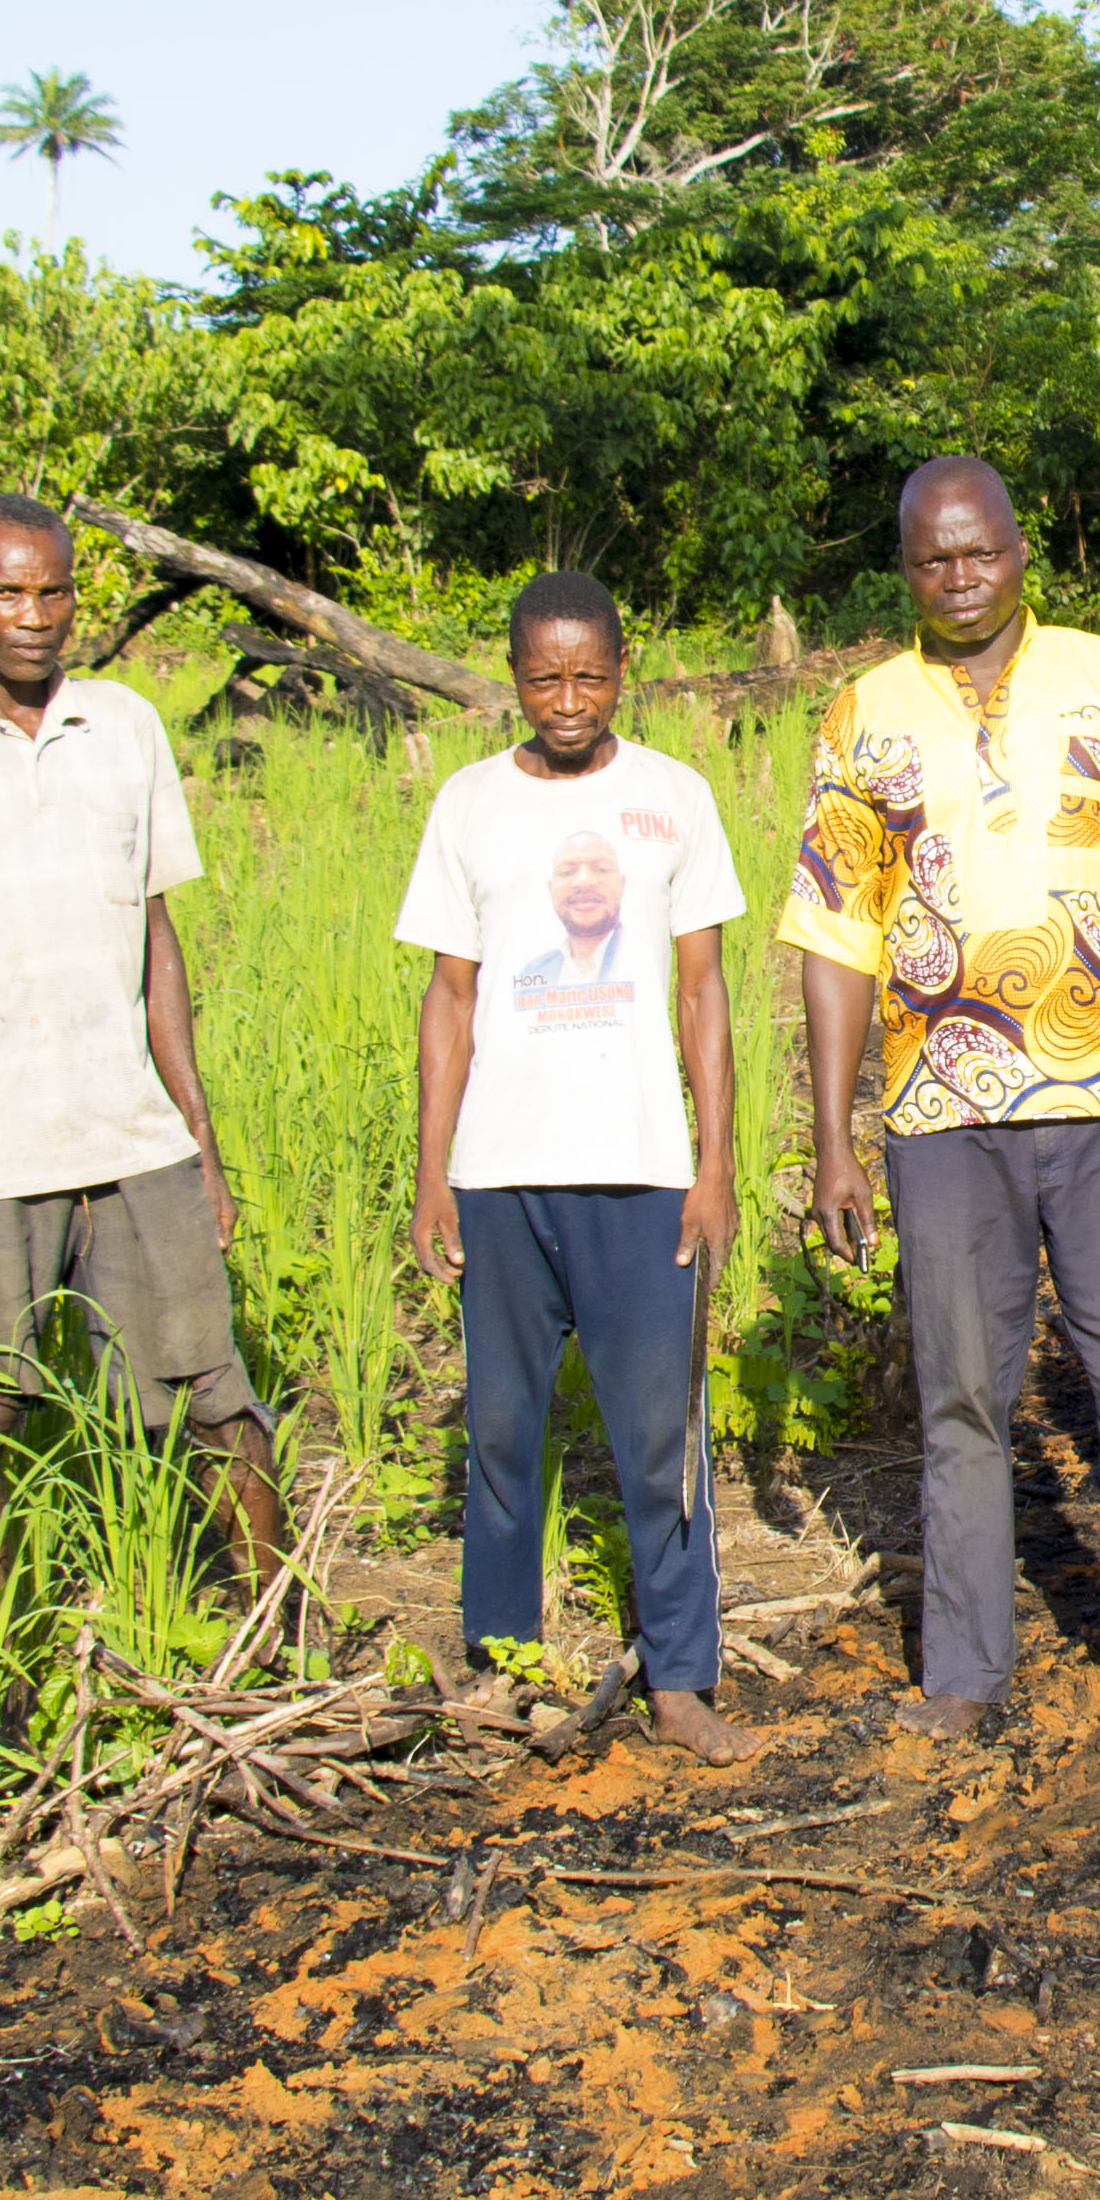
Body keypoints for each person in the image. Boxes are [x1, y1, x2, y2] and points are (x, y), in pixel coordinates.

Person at [786, 457, 1100, 1744]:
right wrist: (834, 1140)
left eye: (979, 552)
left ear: (1019, 548)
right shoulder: (860, 715)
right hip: (943, 1115)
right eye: (933, 560)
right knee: (962, 1397)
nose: (960, 576)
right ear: (906, 570)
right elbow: (834, 935)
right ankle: (965, 1675)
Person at [0, 494, 289, 1588]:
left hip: (130, 1141)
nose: (33, 616)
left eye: (53, 591)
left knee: (214, 1391)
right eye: (6, 591)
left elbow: (156, 943)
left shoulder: (122, 728)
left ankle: (278, 1634)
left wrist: (198, 1142)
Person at [398, 572, 761, 1764]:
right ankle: (499, 1658)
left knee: (661, 1434)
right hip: (502, 1173)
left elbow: (704, 989)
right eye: (545, 677)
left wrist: (713, 1166)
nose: (568, 698)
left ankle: (681, 1676)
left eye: (590, 675)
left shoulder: (672, 798)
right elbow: (448, 1002)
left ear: (623, 669)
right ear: (513, 677)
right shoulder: (467, 806)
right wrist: (431, 1172)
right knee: (503, 1428)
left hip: (641, 1169)